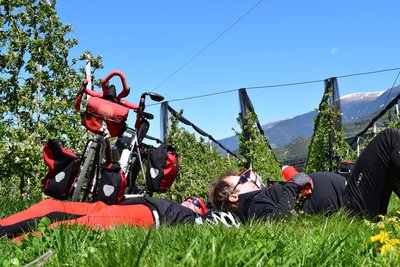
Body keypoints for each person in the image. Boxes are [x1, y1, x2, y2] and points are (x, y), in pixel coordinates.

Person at [209, 128, 400, 223]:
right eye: (242, 180)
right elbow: (277, 223)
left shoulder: (258, 198)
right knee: (388, 139)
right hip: (352, 203)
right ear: (234, 196)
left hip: (352, 196)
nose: (249, 178)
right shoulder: (253, 204)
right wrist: (293, 184)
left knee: (389, 160)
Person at [0, 196, 208, 240]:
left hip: (145, 216)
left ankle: (14, 244)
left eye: (197, 204)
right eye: (190, 199)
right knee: (52, 206)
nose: (191, 202)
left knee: (65, 228)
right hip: (115, 206)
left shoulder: (192, 220)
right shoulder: (172, 203)